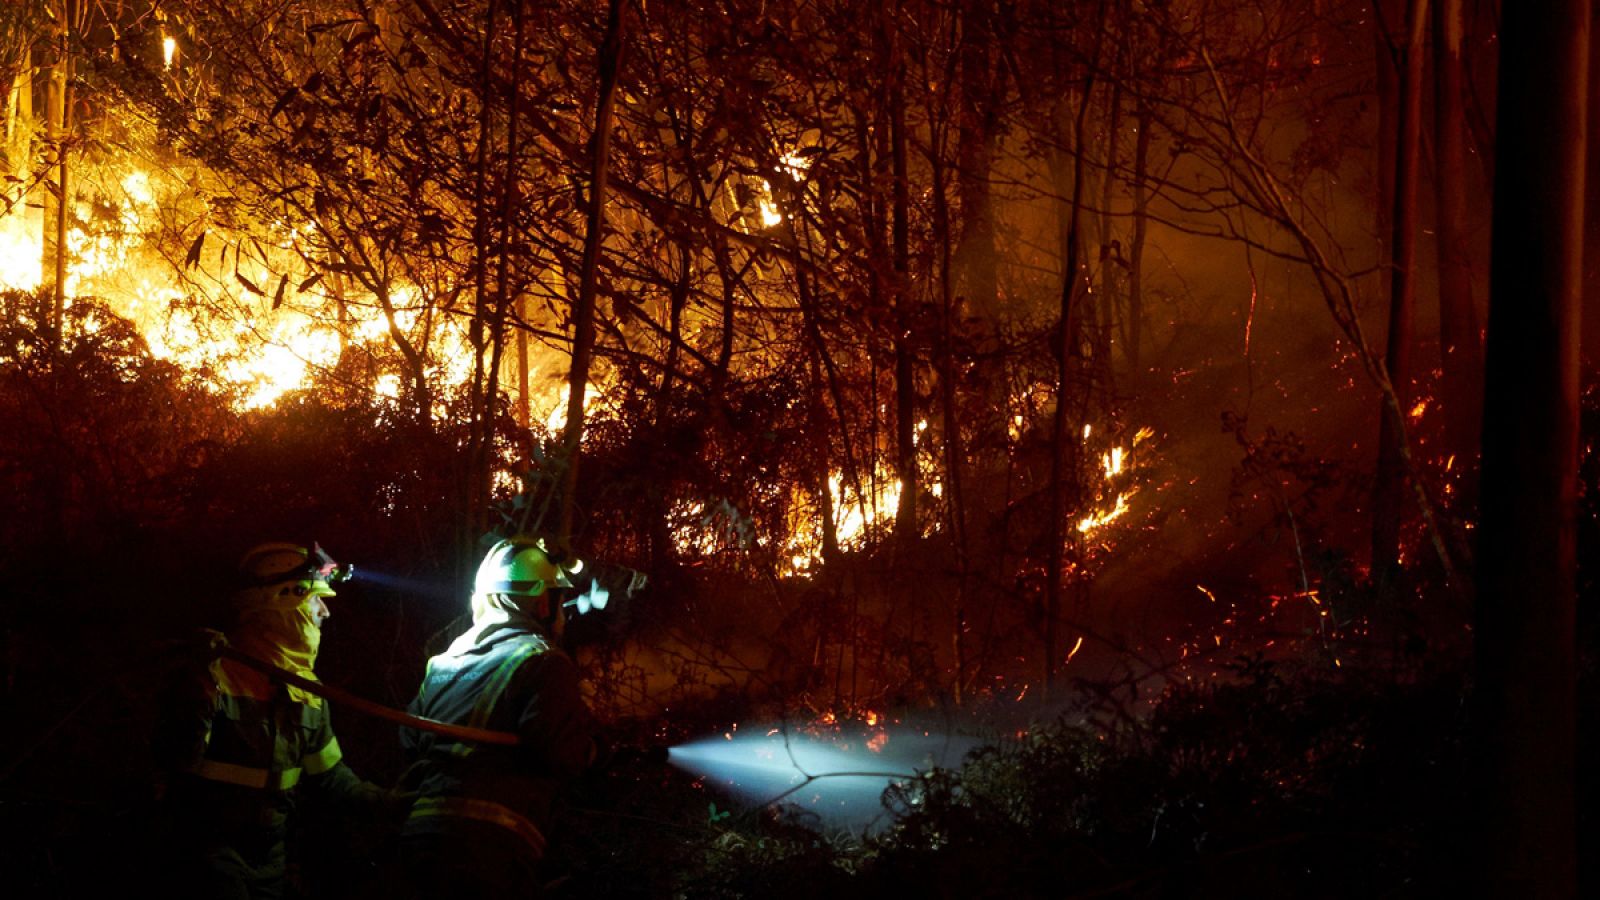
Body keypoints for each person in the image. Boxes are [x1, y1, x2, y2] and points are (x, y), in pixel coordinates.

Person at [156, 541, 395, 900]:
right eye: (317, 599)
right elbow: (173, 764)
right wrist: (196, 688)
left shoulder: (308, 692)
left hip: (272, 862)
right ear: (285, 600)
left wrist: (391, 801)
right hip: (207, 856)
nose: (325, 614)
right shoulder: (215, 675)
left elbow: (330, 778)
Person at [395, 536, 597, 898]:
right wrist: (596, 750)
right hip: (490, 850)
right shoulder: (543, 661)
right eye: (559, 600)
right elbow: (564, 754)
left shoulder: (442, 662)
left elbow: (410, 743)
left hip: (417, 841)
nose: (564, 613)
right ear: (540, 601)